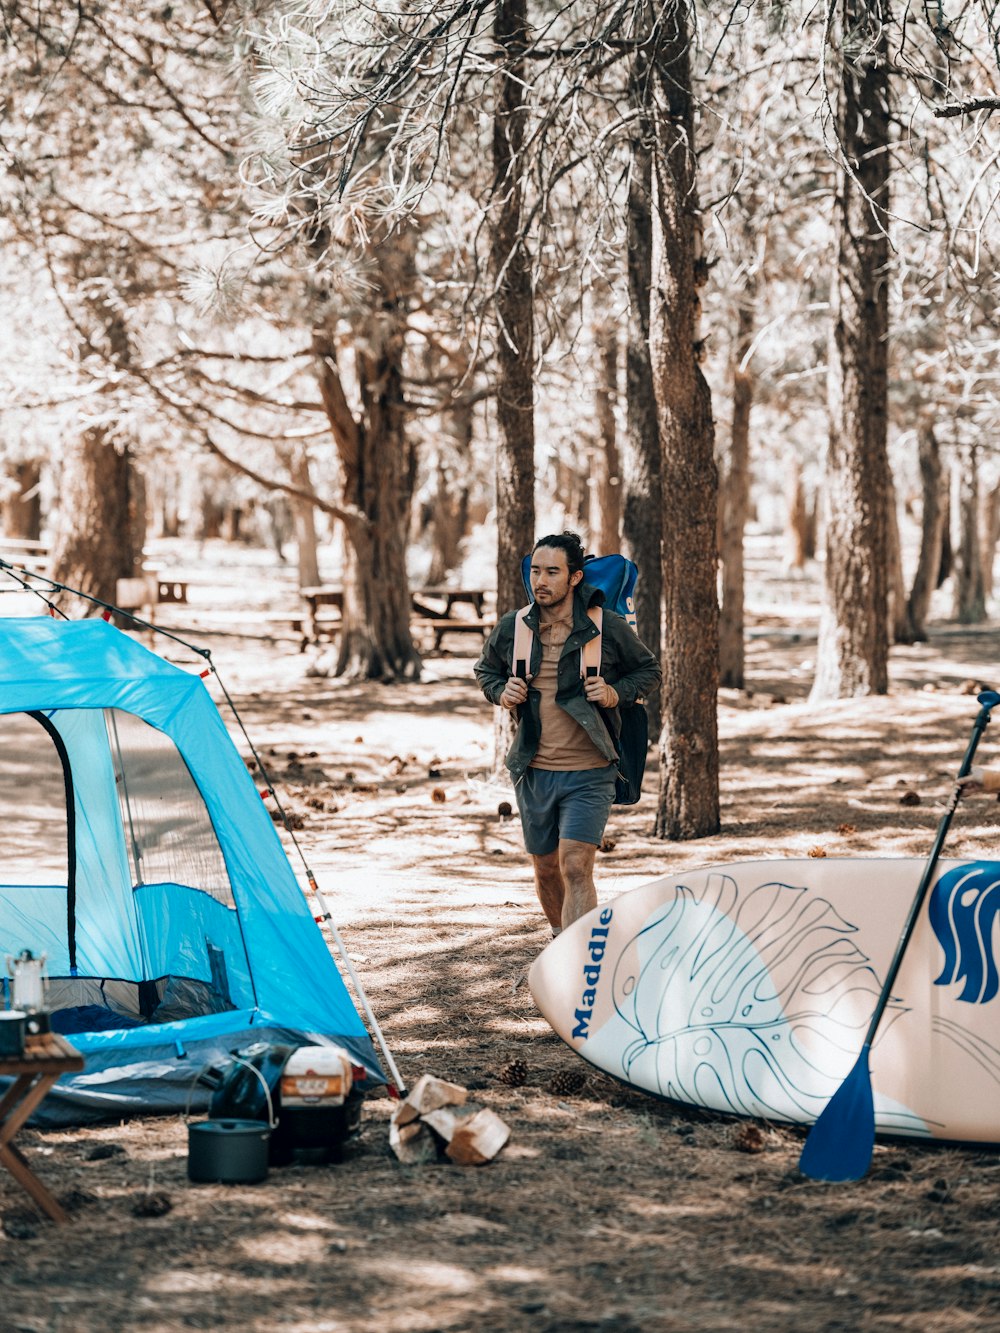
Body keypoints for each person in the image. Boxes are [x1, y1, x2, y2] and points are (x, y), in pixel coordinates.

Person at [475, 531, 661, 934]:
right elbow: (485, 670)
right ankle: (562, 942)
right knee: (545, 868)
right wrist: (500, 691)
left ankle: (578, 962)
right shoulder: (515, 626)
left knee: (575, 865)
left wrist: (615, 693)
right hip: (533, 769)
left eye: (552, 572)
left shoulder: (606, 627)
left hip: (591, 769)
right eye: (536, 571)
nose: (541, 581)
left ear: (574, 578)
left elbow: (649, 671)